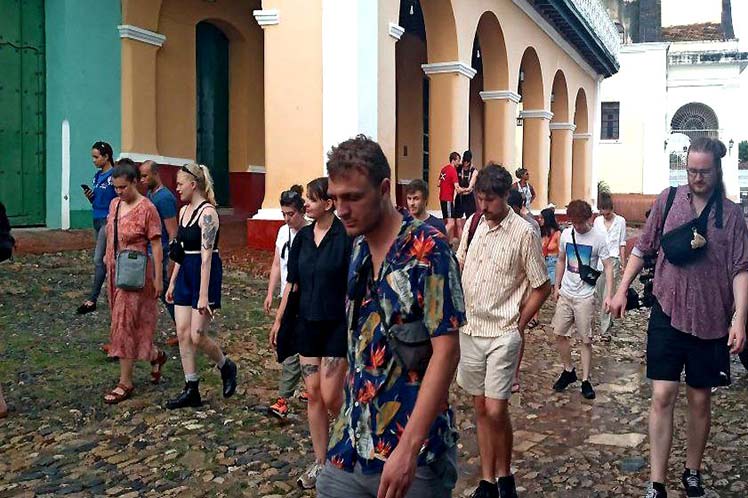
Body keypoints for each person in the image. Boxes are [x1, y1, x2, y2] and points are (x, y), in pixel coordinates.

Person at [318, 135, 466, 498]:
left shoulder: (428, 250)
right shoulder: (357, 249)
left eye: (353, 197)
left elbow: (446, 352)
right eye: (335, 199)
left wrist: (407, 450)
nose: (342, 209)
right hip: (350, 447)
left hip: (411, 453)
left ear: (384, 189)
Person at [609, 137, 748, 498]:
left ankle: (693, 470)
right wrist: (622, 288)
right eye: (691, 170)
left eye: (703, 171)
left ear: (717, 170)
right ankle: (656, 481)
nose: (697, 178)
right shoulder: (669, 201)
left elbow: (741, 270)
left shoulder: (732, 216)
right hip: (667, 311)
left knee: (700, 398)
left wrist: (740, 320)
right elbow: (643, 246)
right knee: (662, 394)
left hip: (711, 318)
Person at [456, 164, 550, 498]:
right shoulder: (473, 223)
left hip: (503, 332)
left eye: (490, 200)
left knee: (497, 409)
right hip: (470, 330)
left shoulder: (524, 232)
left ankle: (505, 472)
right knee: (480, 409)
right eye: (479, 198)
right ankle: (488, 480)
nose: (483, 206)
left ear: (506, 196)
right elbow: (462, 264)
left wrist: (519, 323)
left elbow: (542, 286)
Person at [269, 177, 351, 489]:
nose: (306, 204)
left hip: (334, 325)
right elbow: (293, 282)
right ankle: (321, 461)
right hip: (306, 323)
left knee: (332, 395)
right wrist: (279, 319)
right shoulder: (302, 238)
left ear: (329, 203)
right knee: (313, 394)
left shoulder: (344, 237)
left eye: (312, 199)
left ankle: (350, 447)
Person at [165, 163, 238, 409]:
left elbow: (206, 257)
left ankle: (225, 365)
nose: (177, 189)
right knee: (182, 332)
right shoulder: (184, 211)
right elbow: (180, 252)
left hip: (204, 274)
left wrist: (203, 295)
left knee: (198, 335)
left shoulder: (208, 214)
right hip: (186, 271)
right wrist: (173, 281)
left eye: (180, 184)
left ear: (193, 184)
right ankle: (191, 386)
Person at [102, 160, 167, 404]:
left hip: (136, 272)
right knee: (126, 324)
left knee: (125, 324)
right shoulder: (114, 205)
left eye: (123, 187)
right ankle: (156, 355)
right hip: (116, 272)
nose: (119, 192)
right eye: (116, 188)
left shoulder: (147, 208)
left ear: (134, 183)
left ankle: (125, 382)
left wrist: (158, 278)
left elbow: (157, 244)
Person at [551, 200, 614, 400]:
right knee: (559, 333)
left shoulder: (598, 238)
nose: (577, 226)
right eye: (574, 222)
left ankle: (585, 380)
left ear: (589, 219)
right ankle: (569, 370)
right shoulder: (567, 235)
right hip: (566, 293)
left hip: (585, 296)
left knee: (585, 339)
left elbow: (609, 267)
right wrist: (556, 285)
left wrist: (608, 295)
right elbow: (561, 260)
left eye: (580, 222)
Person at [265, 185, 309, 418]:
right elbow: (276, 264)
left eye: (291, 214)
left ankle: (285, 396)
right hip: (287, 295)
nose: (287, 218)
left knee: (298, 344)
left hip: (305, 298)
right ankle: (294, 391)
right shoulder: (283, 233)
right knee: (290, 344)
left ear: (302, 211)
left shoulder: (311, 234)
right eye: (283, 214)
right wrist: (271, 292)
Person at [139, 160, 179, 345]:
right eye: (141, 176)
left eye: (145, 176)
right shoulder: (150, 194)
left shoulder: (165, 198)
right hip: (149, 250)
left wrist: (172, 257)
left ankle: (181, 326)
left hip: (161, 251)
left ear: (156, 174)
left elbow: (172, 230)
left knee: (164, 292)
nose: (142, 180)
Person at [77, 141, 117, 315]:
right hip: (97, 218)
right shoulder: (97, 176)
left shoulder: (114, 176)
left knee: (98, 259)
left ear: (106, 156)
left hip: (108, 220)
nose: (93, 160)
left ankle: (93, 297)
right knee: (104, 258)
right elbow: (97, 201)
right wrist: (91, 197)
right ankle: (109, 292)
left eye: (96, 157)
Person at [593, 193, 627, 338]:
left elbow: (622, 243)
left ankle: (605, 329)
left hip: (613, 259)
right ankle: (609, 316)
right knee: (600, 293)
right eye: (603, 213)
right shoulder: (597, 221)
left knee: (608, 292)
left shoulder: (620, 221)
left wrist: (623, 263)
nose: (606, 216)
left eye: (608, 213)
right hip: (599, 262)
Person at [438, 152, 461, 242]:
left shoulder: (444, 169)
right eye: (458, 160)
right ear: (453, 160)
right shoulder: (453, 171)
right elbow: (457, 188)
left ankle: (449, 243)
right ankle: (438, 239)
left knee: (448, 222)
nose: (459, 163)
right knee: (451, 223)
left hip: (442, 198)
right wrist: (467, 190)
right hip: (448, 199)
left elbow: (438, 184)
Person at [455, 150, 478, 239]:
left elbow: (470, 187)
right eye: (464, 161)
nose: (465, 164)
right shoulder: (458, 168)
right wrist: (460, 190)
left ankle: (470, 236)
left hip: (469, 197)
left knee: (471, 217)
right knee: (457, 218)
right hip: (459, 197)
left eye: (467, 162)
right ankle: (461, 237)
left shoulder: (474, 171)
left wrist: (463, 189)